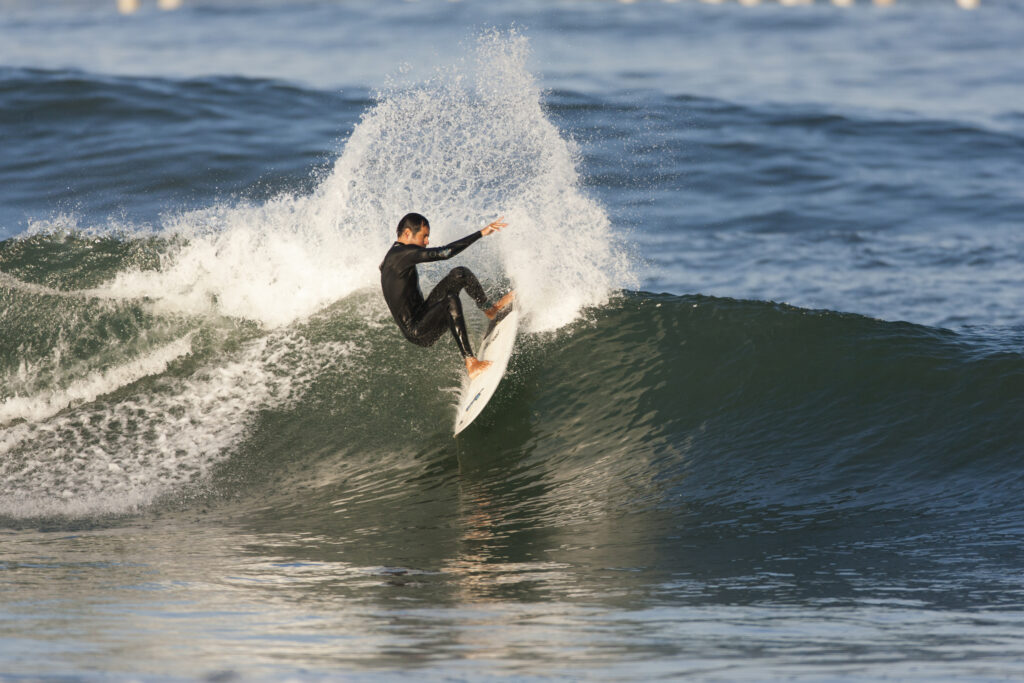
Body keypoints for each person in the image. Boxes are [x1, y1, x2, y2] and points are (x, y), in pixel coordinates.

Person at [380, 212, 515, 379]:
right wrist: (481, 233)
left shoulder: (393, 255)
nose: (427, 241)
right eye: (424, 236)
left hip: (422, 314)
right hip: (417, 331)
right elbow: (445, 253)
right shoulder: (402, 254)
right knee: (450, 301)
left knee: (460, 274)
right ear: (407, 233)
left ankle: (490, 309)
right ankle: (471, 363)